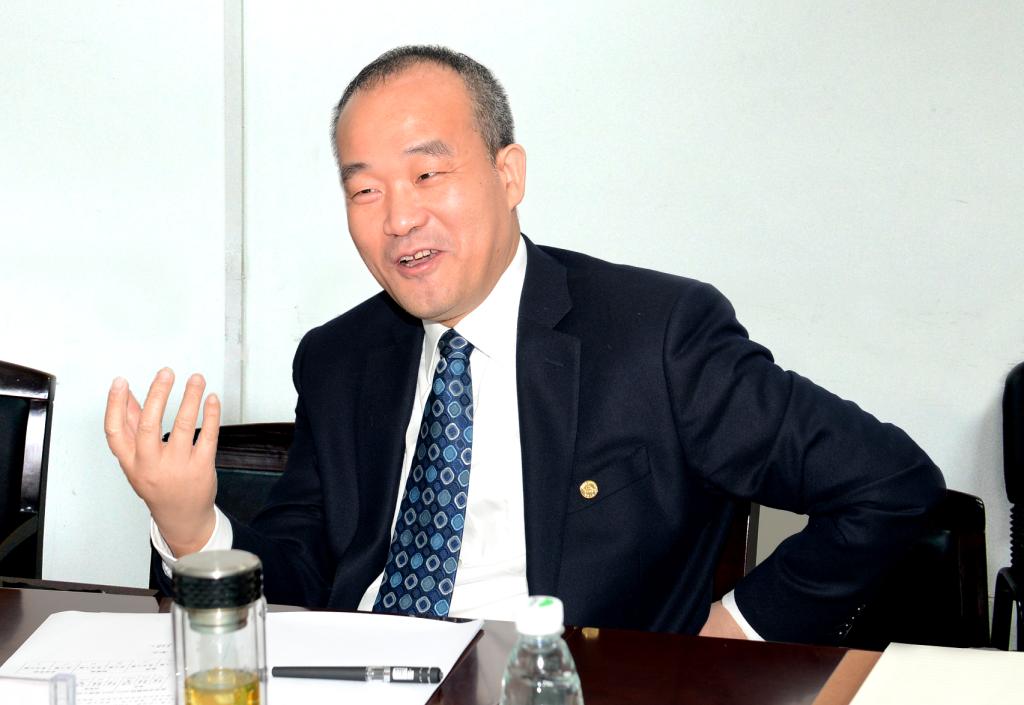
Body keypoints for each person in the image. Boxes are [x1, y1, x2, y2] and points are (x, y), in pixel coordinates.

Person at [105, 45, 944, 644]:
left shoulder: (656, 334)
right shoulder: (339, 356)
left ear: (508, 176)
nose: (399, 218)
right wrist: (190, 522)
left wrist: (736, 630)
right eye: (365, 191)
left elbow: (891, 484)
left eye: (427, 175)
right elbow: (296, 578)